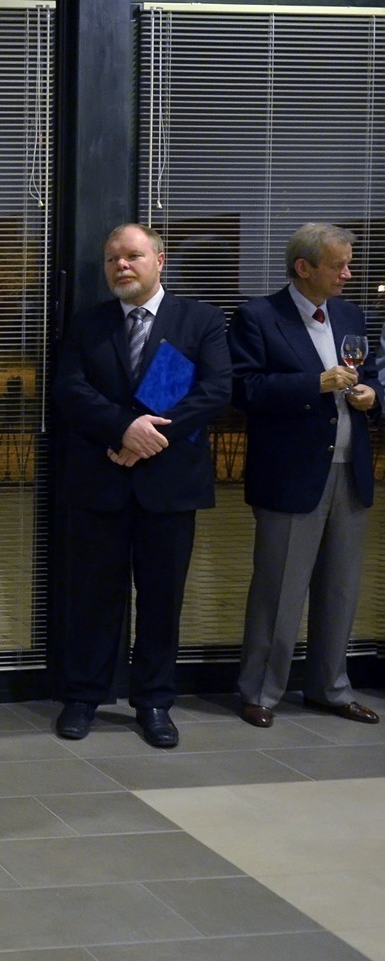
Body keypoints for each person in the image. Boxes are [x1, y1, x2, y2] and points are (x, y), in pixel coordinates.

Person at [51, 224, 231, 748]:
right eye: (113, 259)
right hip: (99, 485)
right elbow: (70, 389)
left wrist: (147, 438)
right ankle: (84, 696)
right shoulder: (88, 324)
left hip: (170, 487)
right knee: (93, 598)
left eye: (133, 256)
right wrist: (123, 428)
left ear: (159, 260)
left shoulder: (199, 320)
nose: (121, 266)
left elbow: (215, 390)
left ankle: (154, 702)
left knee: (161, 599)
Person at [231, 223, 380, 728]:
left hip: (350, 472)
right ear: (304, 267)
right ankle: (260, 692)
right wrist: (314, 382)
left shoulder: (350, 314)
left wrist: (374, 395)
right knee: (279, 592)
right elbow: (244, 390)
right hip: (290, 475)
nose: (348, 274)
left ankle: (329, 688)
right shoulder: (258, 317)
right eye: (338, 265)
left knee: (341, 590)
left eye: (348, 264)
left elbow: (372, 374)